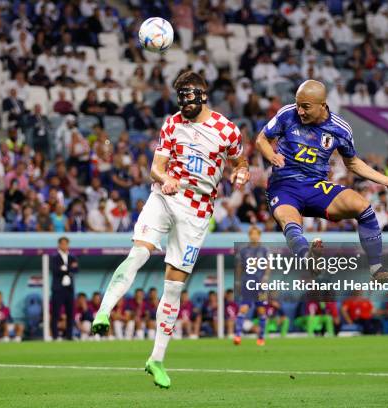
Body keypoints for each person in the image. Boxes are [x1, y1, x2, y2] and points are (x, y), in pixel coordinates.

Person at [91, 71, 250, 389]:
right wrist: (164, 179)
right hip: (165, 197)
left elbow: (240, 162)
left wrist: (242, 174)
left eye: (189, 97)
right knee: (139, 250)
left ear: (203, 94)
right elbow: (155, 167)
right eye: (180, 98)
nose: (184, 104)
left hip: (198, 210)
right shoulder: (171, 123)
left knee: (174, 287)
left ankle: (156, 359)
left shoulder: (227, 130)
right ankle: (103, 312)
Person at [254, 80, 388, 283]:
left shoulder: (340, 128)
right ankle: (308, 259)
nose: (299, 111)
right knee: (289, 220)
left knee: (363, 206)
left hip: (316, 187)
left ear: (322, 105)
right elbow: (261, 139)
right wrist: (271, 155)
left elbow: (352, 162)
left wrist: (384, 179)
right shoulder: (286, 114)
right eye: (298, 105)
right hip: (284, 186)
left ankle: (377, 270)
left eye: (305, 106)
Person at [233, 226, 270, 346]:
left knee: (261, 310)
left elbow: (268, 266)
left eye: (256, 234)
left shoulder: (264, 250)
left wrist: (265, 279)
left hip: (260, 284)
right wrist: (238, 282)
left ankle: (261, 337)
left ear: (259, 236)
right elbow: (239, 267)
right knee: (243, 308)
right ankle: (238, 335)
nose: (254, 236)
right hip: (247, 283)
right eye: (252, 234)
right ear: (249, 235)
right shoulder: (243, 251)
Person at [51, 236, 79, 340]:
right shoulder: (54, 257)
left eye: (66, 244)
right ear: (59, 245)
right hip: (58, 289)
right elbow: (55, 271)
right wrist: (70, 268)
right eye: (62, 243)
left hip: (69, 289)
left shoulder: (72, 257)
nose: (64, 246)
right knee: (56, 313)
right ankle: (55, 336)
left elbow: (76, 270)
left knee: (70, 313)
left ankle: (69, 335)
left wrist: (65, 269)